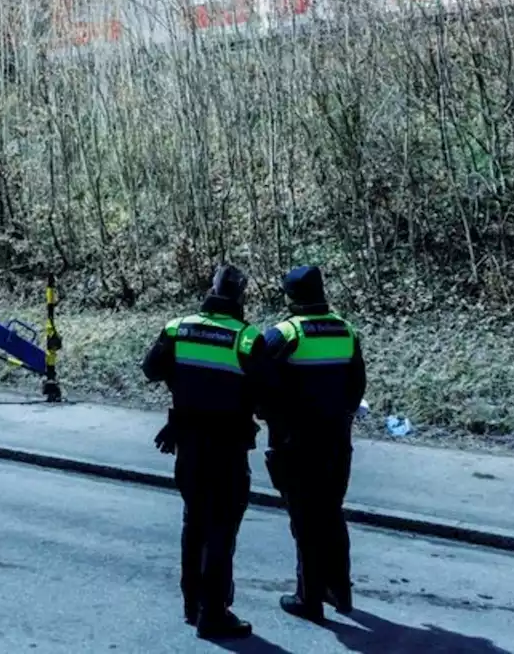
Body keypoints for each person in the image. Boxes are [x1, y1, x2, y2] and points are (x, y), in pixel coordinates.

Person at [142, 264, 266, 640]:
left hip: (189, 443)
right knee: (222, 529)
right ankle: (213, 613)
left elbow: (151, 369)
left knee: (194, 523)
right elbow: (268, 393)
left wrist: (187, 390)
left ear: (211, 289)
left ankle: (191, 604)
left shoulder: (179, 328)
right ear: (241, 295)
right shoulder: (246, 339)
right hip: (228, 448)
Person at [260, 264, 367, 622]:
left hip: (296, 443)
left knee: (305, 519)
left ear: (290, 297)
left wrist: (268, 415)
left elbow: (257, 376)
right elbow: (357, 387)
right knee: (332, 513)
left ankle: (309, 598)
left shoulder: (286, 333)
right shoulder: (346, 330)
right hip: (337, 440)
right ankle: (340, 590)